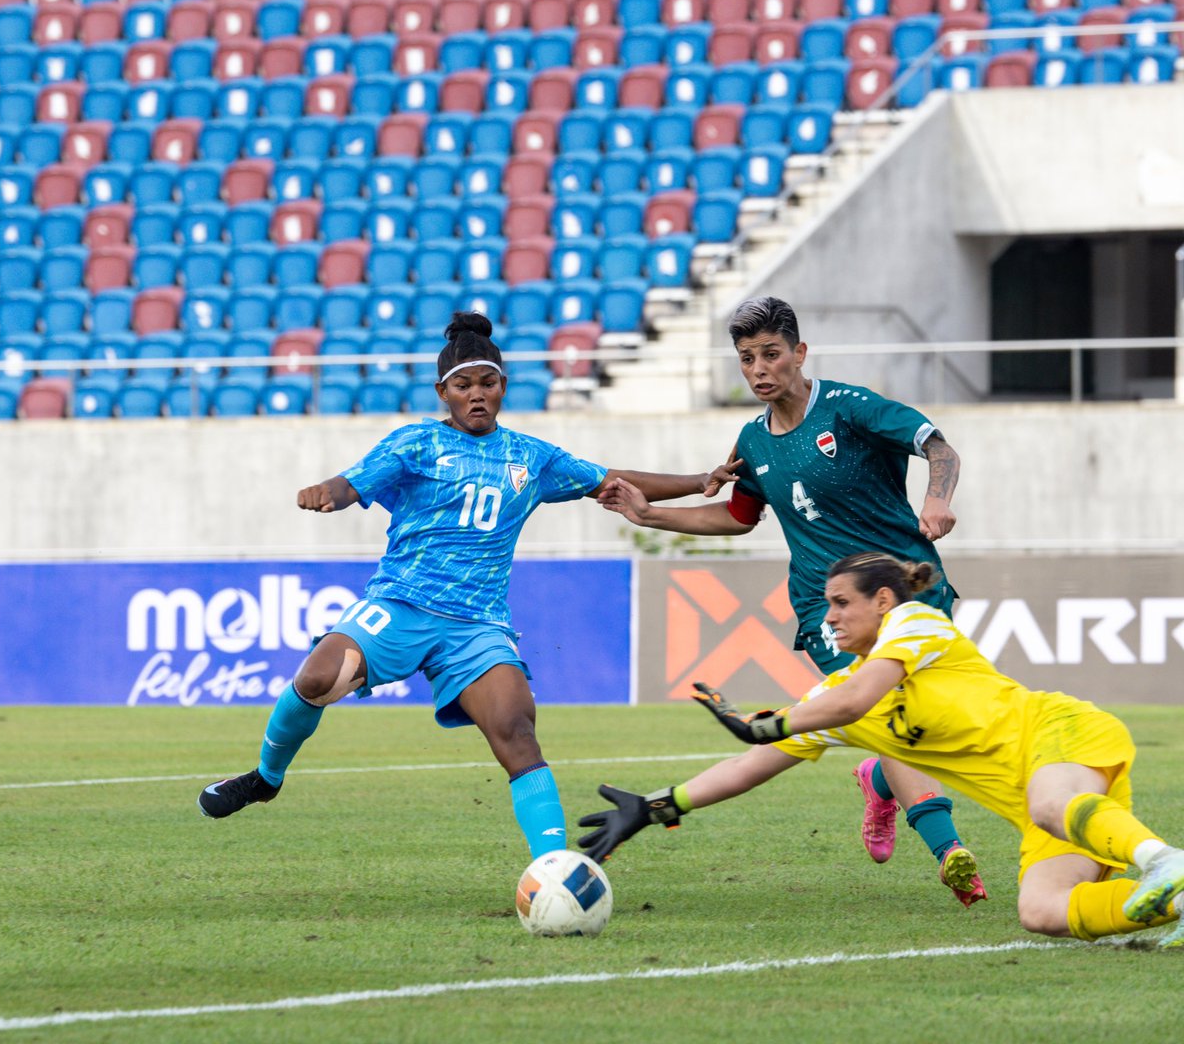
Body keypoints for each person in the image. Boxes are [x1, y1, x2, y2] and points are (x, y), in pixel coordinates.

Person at [198, 312, 739, 861]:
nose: (476, 395)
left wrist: (699, 481)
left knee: (516, 728)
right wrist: (327, 492)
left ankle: (554, 868)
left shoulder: (533, 458)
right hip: (400, 604)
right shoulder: (414, 444)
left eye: (487, 383)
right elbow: (352, 483)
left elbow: (610, 481)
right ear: (444, 392)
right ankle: (266, 778)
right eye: (463, 385)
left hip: (477, 625)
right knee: (317, 678)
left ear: (503, 386)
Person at [577, 552, 1184, 947]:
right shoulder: (834, 693)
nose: (829, 617)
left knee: (1052, 804)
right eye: (827, 606)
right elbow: (751, 766)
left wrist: (767, 722)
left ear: (884, 601)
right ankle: (1170, 908)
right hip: (1038, 799)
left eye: (842, 603)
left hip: (1064, 732)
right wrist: (657, 805)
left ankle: (1165, 861)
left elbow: (850, 701)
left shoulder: (916, 623)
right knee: (1043, 911)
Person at [598, 295, 984, 906]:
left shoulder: (851, 408)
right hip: (825, 604)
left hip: (909, 588)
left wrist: (937, 498)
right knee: (882, 707)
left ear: (799, 354)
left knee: (930, 719)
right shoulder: (752, 440)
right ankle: (950, 850)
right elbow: (737, 516)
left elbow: (940, 447)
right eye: (747, 358)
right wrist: (652, 517)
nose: (759, 369)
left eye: (771, 354)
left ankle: (879, 778)